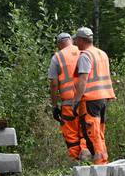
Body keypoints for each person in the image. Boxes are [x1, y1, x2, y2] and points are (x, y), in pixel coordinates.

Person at [70, 26, 115, 164]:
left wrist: (76, 100)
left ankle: (100, 165)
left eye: (76, 39)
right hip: (103, 98)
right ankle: (104, 162)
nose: (75, 42)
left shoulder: (85, 56)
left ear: (82, 40)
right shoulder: (102, 53)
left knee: (92, 134)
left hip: (91, 100)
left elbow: (83, 80)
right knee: (99, 133)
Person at [47, 32, 85, 160]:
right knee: (86, 130)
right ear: (71, 41)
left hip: (69, 103)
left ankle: (78, 162)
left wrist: (54, 105)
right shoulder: (84, 51)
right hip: (87, 100)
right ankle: (88, 156)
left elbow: (53, 84)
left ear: (59, 45)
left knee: (72, 135)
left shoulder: (57, 57)